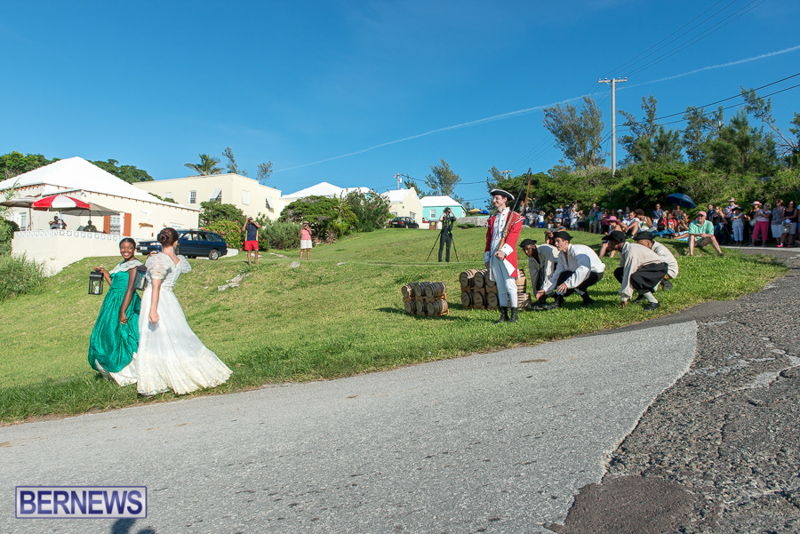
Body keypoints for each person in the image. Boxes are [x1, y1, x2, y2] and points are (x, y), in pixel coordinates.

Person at [135, 228, 232, 396]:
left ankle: (155, 381)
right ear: (175, 242)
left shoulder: (158, 259)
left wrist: (153, 310)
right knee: (169, 336)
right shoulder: (177, 260)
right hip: (169, 299)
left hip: (156, 299)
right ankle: (165, 375)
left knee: (153, 336)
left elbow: (156, 285)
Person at [88, 238, 142, 386]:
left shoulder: (134, 265)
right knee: (110, 333)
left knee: (124, 334)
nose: (126, 250)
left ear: (134, 249)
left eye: (129, 248)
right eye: (123, 248)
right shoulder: (121, 265)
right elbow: (114, 285)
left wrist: (123, 311)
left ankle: (130, 372)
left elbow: (131, 288)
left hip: (126, 302)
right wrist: (105, 273)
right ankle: (109, 369)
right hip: (113, 302)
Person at [534, 230, 605, 310]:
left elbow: (584, 269)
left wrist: (567, 284)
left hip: (594, 272)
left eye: (558, 241)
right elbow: (557, 275)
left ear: (566, 242)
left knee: (575, 279)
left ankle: (586, 300)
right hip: (580, 272)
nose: (556, 244)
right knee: (563, 275)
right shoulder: (561, 255)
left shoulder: (577, 251)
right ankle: (558, 302)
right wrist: (545, 289)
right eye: (555, 241)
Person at [484, 189, 524, 323]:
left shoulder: (514, 217)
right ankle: (503, 315)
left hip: (507, 256)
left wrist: (504, 252)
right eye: (494, 198)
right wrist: (487, 257)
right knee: (500, 286)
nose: (494, 201)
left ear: (505, 200)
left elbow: (513, 237)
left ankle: (514, 315)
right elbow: (489, 239)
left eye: (497, 198)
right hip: (494, 255)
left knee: (509, 284)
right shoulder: (493, 218)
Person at [603, 230, 668, 311]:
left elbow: (628, 274)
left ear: (617, 242)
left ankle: (653, 301)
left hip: (657, 268)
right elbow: (624, 271)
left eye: (610, 241)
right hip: (647, 267)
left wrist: (624, 297)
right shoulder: (623, 251)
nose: (608, 244)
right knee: (619, 272)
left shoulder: (631, 252)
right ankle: (643, 293)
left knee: (635, 277)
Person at [519, 238, 558, 307]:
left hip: (557, 266)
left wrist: (544, 290)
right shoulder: (531, 260)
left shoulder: (545, 250)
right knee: (538, 279)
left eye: (528, 249)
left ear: (533, 247)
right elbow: (534, 277)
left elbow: (549, 270)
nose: (526, 252)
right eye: (524, 250)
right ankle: (548, 298)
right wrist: (536, 293)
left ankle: (548, 298)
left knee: (543, 275)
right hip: (545, 269)